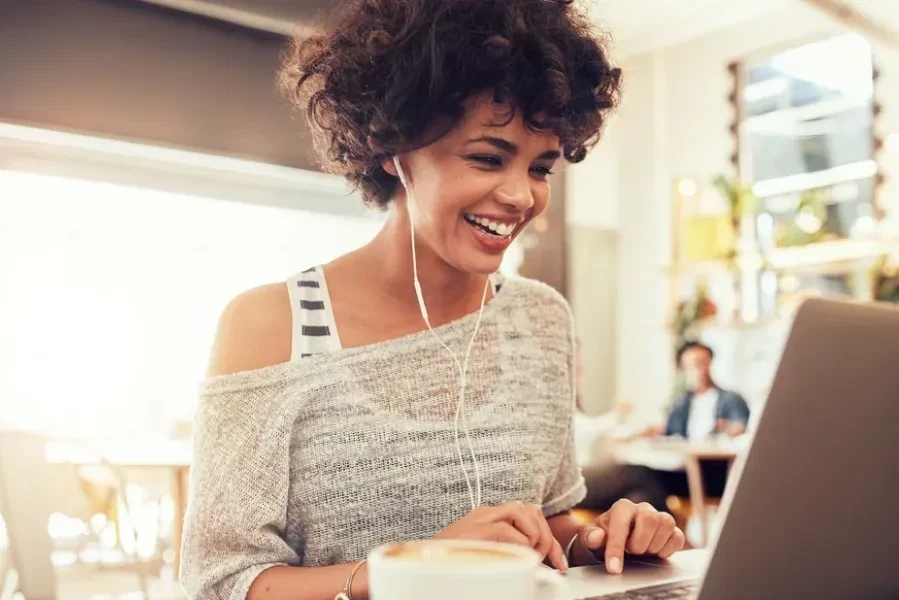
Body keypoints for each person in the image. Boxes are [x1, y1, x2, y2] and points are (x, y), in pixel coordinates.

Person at [180, 1, 684, 599]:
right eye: (488, 158)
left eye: (541, 168)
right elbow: (220, 582)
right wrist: (419, 567)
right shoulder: (272, 326)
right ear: (392, 148)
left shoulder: (540, 320)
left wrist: (602, 542)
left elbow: (547, 530)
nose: (521, 196)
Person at [647, 340, 751, 498]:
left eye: (701, 363)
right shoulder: (681, 403)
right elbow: (671, 433)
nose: (698, 370)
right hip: (684, 469)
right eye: (691, 365)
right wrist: (653, 432)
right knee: (641, 485)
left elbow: (740, 428)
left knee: (639, 479)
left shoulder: (731, 399)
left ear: (710, 363)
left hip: (716, 474)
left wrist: (725, 429)